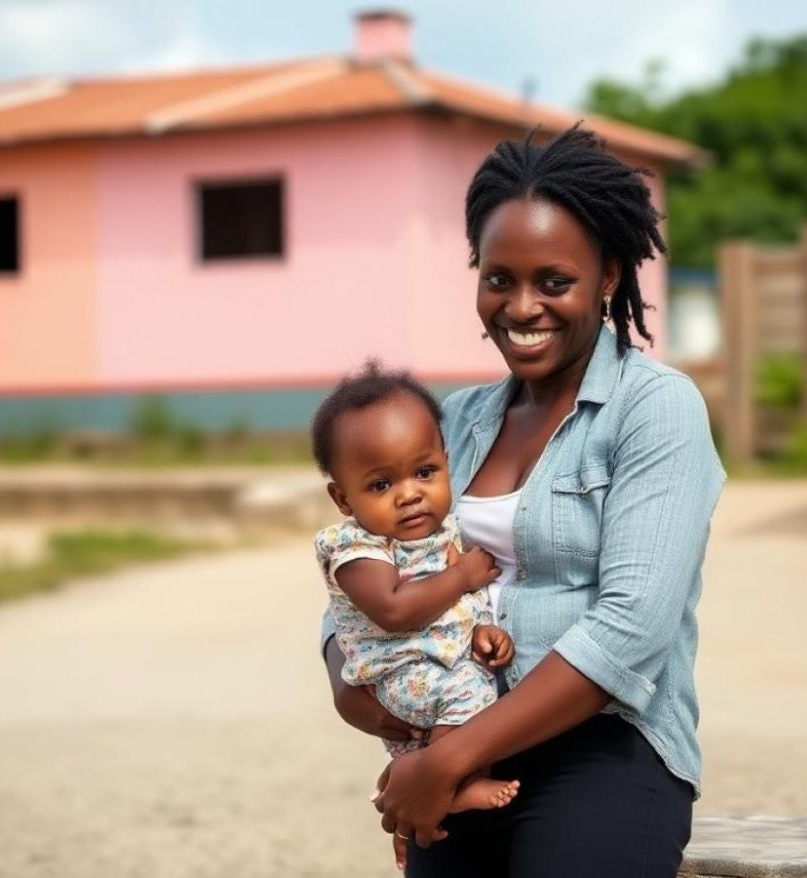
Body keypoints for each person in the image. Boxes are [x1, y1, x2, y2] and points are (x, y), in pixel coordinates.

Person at [321, 124, 726, 877]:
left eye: (553, 280)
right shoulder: (457, 421)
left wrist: (448, 759)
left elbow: (632, 628)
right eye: (499, 278)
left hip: (607, 745)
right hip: (456, 743)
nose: (521, 306)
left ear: (607, 275)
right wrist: (374, 710)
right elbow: (369, 577)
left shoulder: (656, 410)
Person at [311, 362, 522, 819]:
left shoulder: (443, 534)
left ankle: (415, 807)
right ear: (344, 499)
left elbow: (461, 609)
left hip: (436, 667)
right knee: (471, 696)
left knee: (474, 694)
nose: (409, 494)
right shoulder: (355, 548)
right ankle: (448, 786)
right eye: (382, 484)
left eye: (425, 472)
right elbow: (393, 609)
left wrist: (484, 630)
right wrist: (464, 576)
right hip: (401, 672)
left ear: (447, 462)